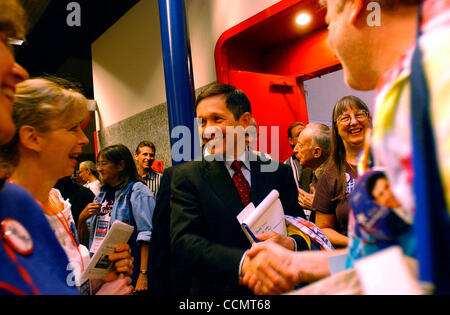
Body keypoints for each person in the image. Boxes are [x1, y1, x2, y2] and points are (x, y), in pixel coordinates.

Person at [241, 0, 450, 295]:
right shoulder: (401, 89)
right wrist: (296, 264)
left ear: (354, 6)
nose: (329, 39)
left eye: (328, 18)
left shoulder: (439, 73)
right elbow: (394, 260)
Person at [169, 83, 309, 295]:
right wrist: (245, 263)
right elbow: (185, 244)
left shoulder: (278, 172)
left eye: (217, 119)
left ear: (244, 122)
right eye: (202, 122)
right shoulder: (188, 177)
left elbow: (299, 225)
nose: (208, 130)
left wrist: (290, 243)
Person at [0, 76, 133, 295]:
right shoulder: (10, 213)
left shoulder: (57, 200)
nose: (84, 140)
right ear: (32, 138)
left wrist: (100, 279)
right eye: (72, 128)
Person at [81, 144, 155, 293]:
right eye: (98, 164)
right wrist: (82, 218)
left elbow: (147, 234)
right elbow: (87, 238)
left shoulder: (138, 190)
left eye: (104, 164)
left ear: (120, 165)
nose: (99, 169)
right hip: (101, 270)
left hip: (128, 268)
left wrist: (143, 274)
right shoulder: (101, 194)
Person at [312, 96, 371, 247]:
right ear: (336, 128)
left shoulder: (391, 160)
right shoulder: (329, 174)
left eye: (359, 115)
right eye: (345, 118)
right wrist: (357, 244)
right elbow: (323, 228)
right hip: (356, 258)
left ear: (369, 120)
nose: (354, 121)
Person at [293, 123, 331, 223]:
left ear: (317, 152)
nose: (295, 149)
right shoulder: (306, 174)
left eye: (300, 146)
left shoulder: (336, 177)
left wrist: (318, 205)